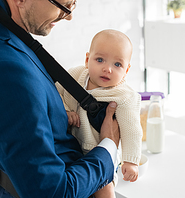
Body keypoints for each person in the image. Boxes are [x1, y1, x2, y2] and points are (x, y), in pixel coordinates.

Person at [0, 0, 120, 197]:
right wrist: (108, 147)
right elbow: (52, 192)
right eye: (64, 5)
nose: (69, 15)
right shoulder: (5, 71)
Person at [56, 29, 143, 198]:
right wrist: (65, 109)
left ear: (127, 69)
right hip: (70, 146)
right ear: (88, 59)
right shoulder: (76, 75)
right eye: (100, 60)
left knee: (104, 187)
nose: (107, 69)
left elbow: (132, 130)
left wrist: (131, 161)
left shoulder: (124, 96)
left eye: (117, 64)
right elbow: (55, 91)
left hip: (99, 154)